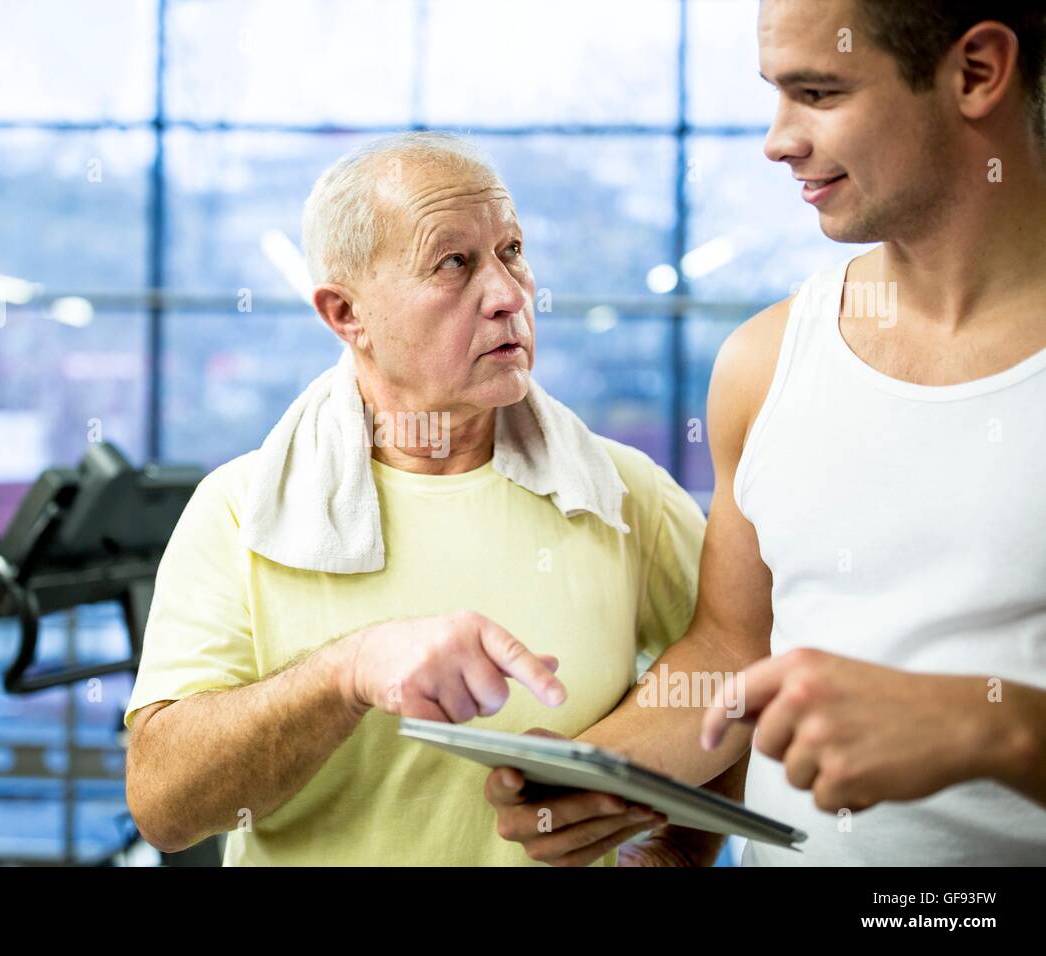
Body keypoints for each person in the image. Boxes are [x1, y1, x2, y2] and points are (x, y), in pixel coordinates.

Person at [487, 0, 1046, 865]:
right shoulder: (764, 360)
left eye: (818, 92)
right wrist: (605, 770)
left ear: (977, 73)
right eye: (775, 95)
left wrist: (991, 725)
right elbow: (732, 647)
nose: (778, 139)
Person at [124, 132, 713, 866]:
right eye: (454, 263)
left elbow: (738, 681)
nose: (508, 295)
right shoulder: (238, 510)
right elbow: (165, 809)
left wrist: (677, 855)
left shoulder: (628, 494)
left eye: (512, 251)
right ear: (346, 314)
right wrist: (349, 673)